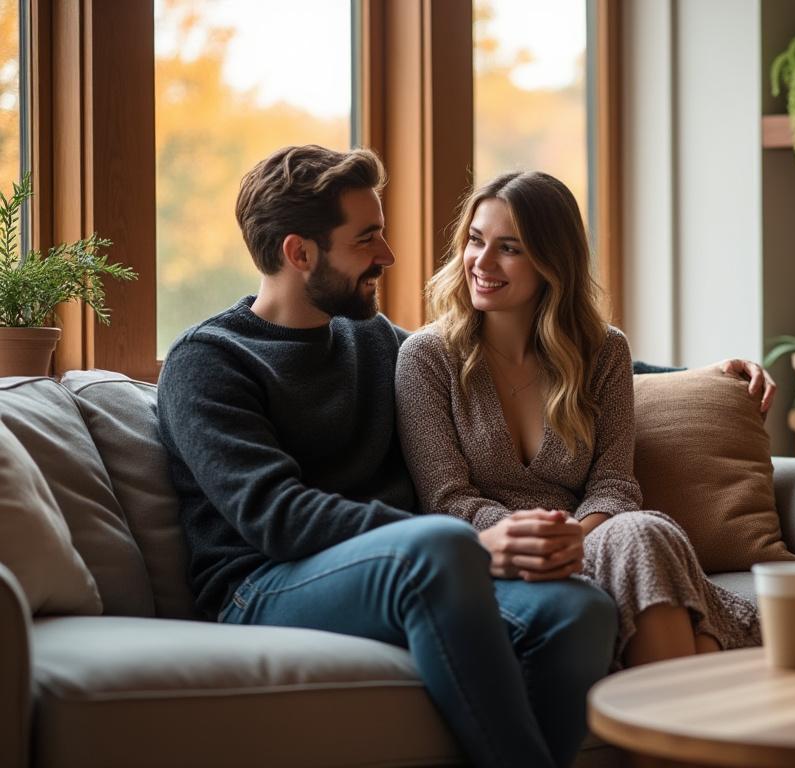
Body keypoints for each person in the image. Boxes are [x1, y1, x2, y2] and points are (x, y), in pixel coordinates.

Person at [157, 145, 616, 768]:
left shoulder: (370, 338)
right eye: (367, 238)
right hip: (263, 585)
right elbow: (277, 516)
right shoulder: (209, 361)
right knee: (442, 546)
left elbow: (511, 357)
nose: (389, 255)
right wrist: (470, 545)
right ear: (300, 253)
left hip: (416, 569)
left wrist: (702, 376)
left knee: (578, 610)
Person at [396, 170, 763, 669]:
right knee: (667, 586)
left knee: (641, 529)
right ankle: (686, 724)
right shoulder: (426, 358)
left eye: (510, 248)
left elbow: (615, 484)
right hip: (494, 555)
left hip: (595, 543)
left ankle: (669, 725)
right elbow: (446, 499)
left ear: (552, 261)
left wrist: (576, 537)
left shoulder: (603, 351)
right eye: (475, 241)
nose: (481, 262)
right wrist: (537, 541)